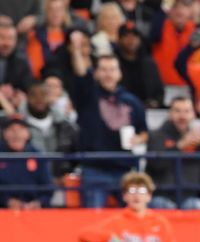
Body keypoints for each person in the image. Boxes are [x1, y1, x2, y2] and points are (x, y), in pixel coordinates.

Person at [69, 37, 148, 208]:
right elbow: (81, 75)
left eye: (112, 70)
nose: (108, 74)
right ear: (96, 73)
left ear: (119, 73)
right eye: (103, 70)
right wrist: (77, 50)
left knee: (130, 220)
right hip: (95, 168)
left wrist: (139, 139)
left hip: (125, 168)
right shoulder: (88, 96)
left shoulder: (132, 101)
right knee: (94, 219)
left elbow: (144, 131)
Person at [18, 81, 79, 179]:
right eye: (34, 95)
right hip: (29, 183)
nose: (39, 99)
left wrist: (68, 175)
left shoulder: (64, 125)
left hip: (62, 182)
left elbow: (78, 155)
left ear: (48, 97)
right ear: (27, 98)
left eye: (43, 95)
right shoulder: (18, 127)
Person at [0, 115, 51, 209]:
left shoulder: (38, 155)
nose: (16, 134)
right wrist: (7, 201)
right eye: (12, 129)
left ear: (28, 133)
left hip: (34, 212)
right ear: (4, 134)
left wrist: (38, 203)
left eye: (21, 129)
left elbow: (48, 189)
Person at [116, 21, 164, 109]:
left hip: (147, 110)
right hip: (119, 109)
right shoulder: (114, 63)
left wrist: (155, 102)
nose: (131, 40)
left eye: (135, 36)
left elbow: (159, 92)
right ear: (119, 40)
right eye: (126, 36)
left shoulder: (149, 63)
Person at [150, 0, 197, 87]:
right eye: (175, 7)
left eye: (184, 7)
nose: (179, 11)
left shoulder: (196, 30)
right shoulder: (160, 26)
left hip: (188, 85)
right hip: (163, 85)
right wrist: (165, 7)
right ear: (169, 10)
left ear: (190, 11)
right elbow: (153, 36)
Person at [0, 16, 34, 97]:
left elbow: (28, 87)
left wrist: (16, 94)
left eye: (10, 38)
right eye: (2, 37)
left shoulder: (22, 61)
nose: (6, 43)